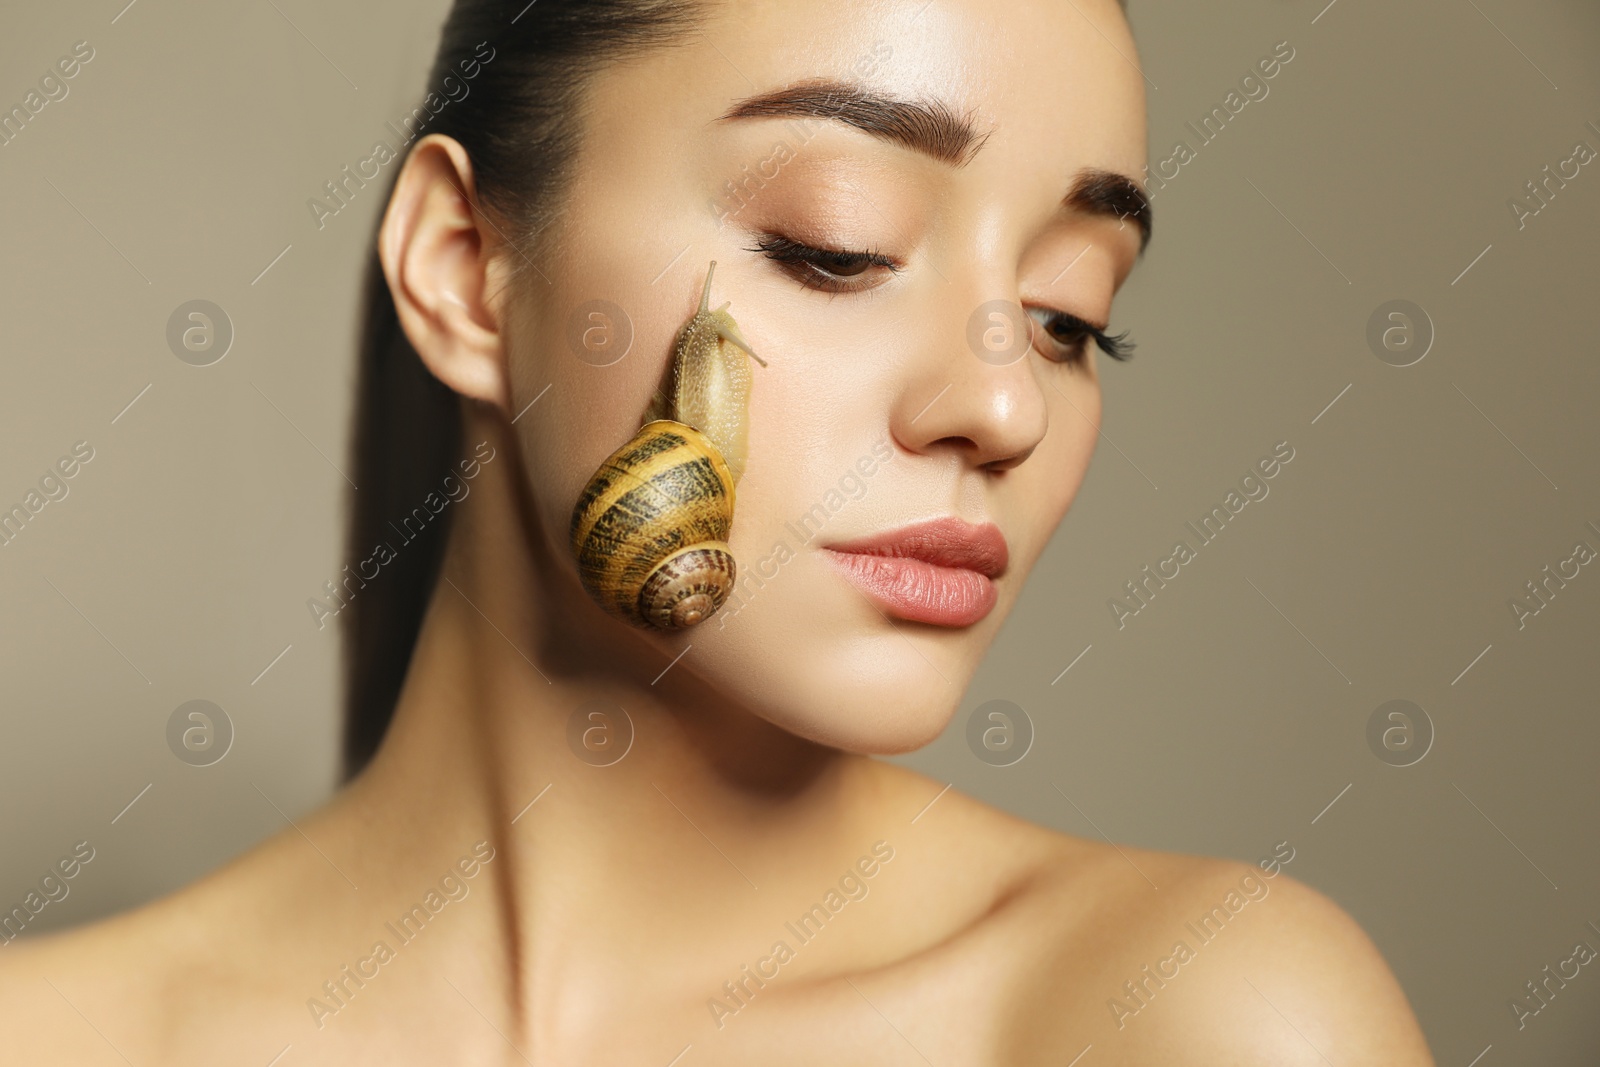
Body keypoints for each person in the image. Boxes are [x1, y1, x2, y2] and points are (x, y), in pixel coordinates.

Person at [0, 0, 1436, 1061]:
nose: (1005, 400)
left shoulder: (1191, 1018)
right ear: (461, 269)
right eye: (839, 245)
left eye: (1071, 318)